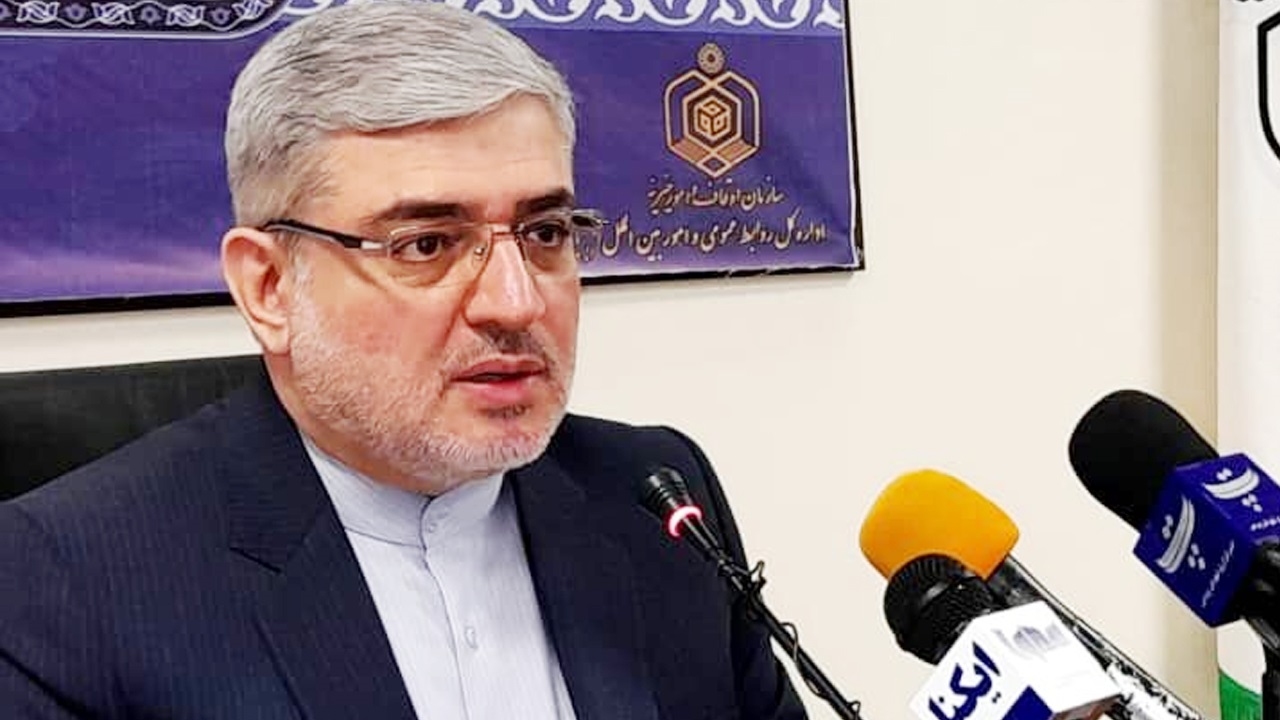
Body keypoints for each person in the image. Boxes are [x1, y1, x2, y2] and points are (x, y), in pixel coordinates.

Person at [0, 2, 808, 719]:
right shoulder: (67, 583)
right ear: (269, 287)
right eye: (426, 244)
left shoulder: (655, 495)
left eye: (545, 233)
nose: (515, 303)